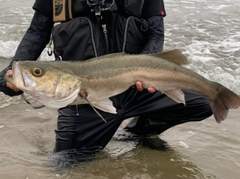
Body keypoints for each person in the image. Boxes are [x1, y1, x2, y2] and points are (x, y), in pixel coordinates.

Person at [0, 0, 212, 157]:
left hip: (136, 89)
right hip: (83, 96)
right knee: (66, 163)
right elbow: (37, 31)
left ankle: (138, 131)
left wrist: (146, 68)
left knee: (202, 103)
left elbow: (156, 33)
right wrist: (12, 70)